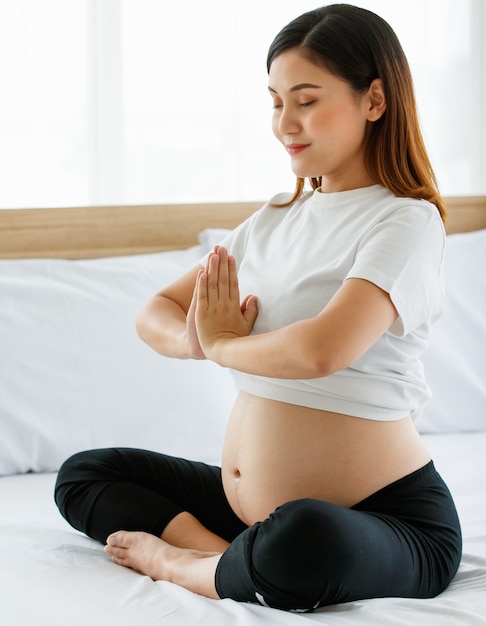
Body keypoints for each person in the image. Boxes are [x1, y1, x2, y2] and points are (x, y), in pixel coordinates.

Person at [54, 4, 462, 612]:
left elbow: (323, 349)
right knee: (86, 473)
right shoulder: (273, 220)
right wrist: (195, 338)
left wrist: (222, 345)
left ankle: (181, 563)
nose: (284, 124)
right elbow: (157, 310)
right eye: (275, 102)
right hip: (249, 512)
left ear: (374, 99)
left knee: (304, 537)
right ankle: (220, 556)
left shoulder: (406, 219)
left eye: (305, 99)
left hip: (385, 516)